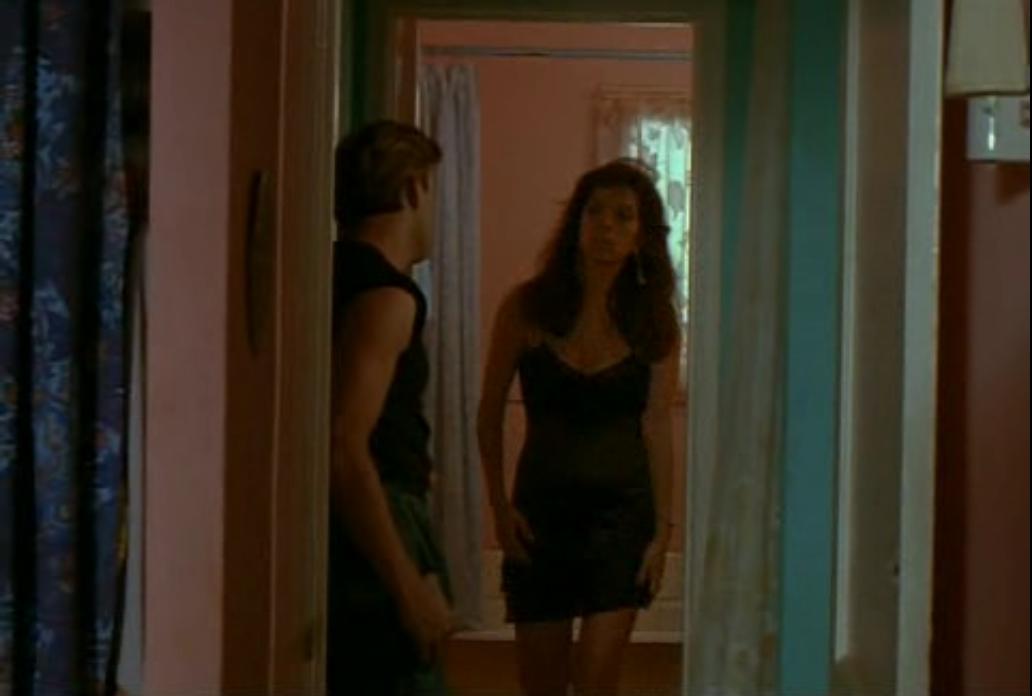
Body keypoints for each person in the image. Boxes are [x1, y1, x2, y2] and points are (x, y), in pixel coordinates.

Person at [477, 159, 681, 696]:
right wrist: (498, 508)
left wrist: (662, 532)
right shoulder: (526, 308)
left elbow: (657, 426)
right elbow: (489, 413)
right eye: (595, 213)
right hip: (541, 514)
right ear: (576, 223)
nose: (607, 227)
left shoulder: (654, 320)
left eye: (623, 216)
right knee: (541, 683)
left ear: (641, 235)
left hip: (621, 518)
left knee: (597, 679)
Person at [328, 120, 457, 695]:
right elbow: (345, 445)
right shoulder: (386, 298)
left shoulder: (323, 275)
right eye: (432, 190)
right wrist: (407, 586)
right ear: (412, 188)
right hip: (376, 522)